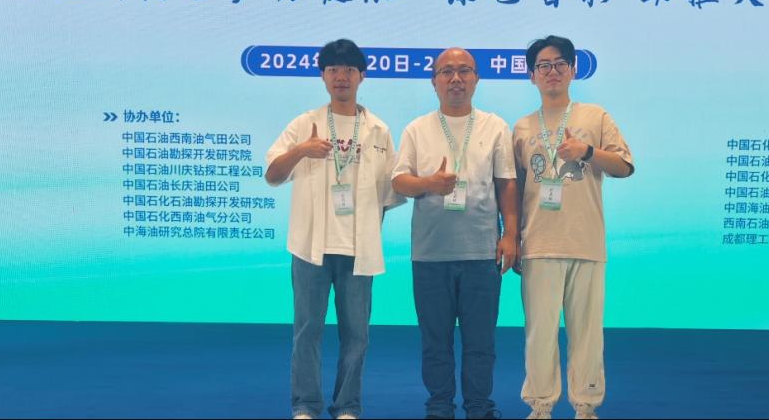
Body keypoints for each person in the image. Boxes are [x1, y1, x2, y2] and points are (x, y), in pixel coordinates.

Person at [265, 39, 404, 420]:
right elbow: (273, 175)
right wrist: (301, 150)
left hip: (358, 250)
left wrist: (368, 235)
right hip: (310, 246)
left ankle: (347, 406)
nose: (341, 76)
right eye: (333, 70)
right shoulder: (304, 124)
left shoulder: (378, 130)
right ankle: (305, 405)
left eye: (348, 70)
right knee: (307, 331)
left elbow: (388, 194)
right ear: (323, 76)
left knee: (357, 335)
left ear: (362, 76)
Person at [392, 47, 519, 420]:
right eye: (446, 71)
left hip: (482, 252)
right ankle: (439, 407)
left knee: (481, 341)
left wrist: (510, 235)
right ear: (434, 81)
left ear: (477, 79)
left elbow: (507, 183)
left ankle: (479, 407)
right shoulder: (417, 129)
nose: (456, 78)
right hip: (430, 254)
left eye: (465, 70)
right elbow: (399, 181)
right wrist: (429, 183)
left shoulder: (495, 126)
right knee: (435, 342)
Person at [513, 36, 635, 420]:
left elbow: (624, 166)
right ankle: (540, 405)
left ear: (572, 70)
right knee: (540, 333)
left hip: (585, 241)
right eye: (543, 65)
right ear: (532, 75)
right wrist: (512, 238)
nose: (552, 71)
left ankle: (586, 405)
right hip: (538, 243)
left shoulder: (595, 117)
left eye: (559, 64)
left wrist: (587, 152)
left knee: (587, 333)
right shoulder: (522, 127)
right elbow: (515, 189)